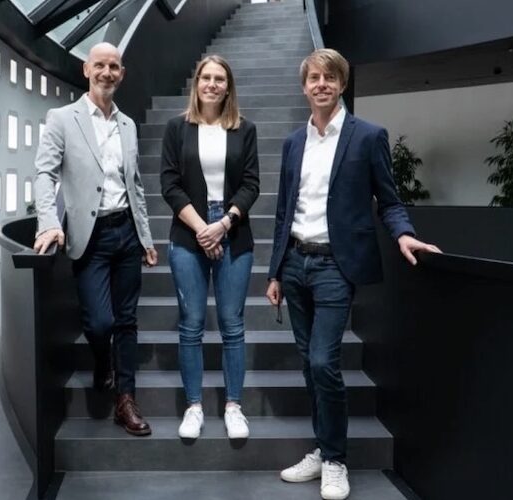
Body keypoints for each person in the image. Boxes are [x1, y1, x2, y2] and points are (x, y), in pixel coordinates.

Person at [266, 49, 441, 499]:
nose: (321, 84)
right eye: (314, 78)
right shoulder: (293, 143)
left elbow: (390, 199)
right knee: (309, 366)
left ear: (342, 84)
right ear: (304, 87)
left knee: (323, 362)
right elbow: (284, 210)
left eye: (330, 77)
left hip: (334, 266)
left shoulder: (368, 136)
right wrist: (275, 272)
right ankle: (322, 449)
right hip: (295, 263)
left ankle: (335, 460)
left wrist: (404, 235)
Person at [32, 42, 158, 436]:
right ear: (86, 70)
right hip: (90, 235)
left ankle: (125, 400)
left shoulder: (128, 125)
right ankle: (103, 361)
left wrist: (146, 236)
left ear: (122, 73)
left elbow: (135, 185)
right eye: (100, 65)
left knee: (127, 320)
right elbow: (45, 174)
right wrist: (48, 222)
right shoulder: (61, 118)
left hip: (127, 232)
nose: (107, 72)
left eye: (114, 66)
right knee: (100, 323)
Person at [159, 56, 260, 440]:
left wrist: (223, 224)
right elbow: (170, 184)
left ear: (228, 86)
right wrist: (204, 228)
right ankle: (194, 407)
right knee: (191, 325)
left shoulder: (244, 129)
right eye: (206, 77)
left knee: (232, 325)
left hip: (233, 230)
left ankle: (234, 406)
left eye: (220, 79)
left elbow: (251, 184)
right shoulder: (176, 128)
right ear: (197, 83)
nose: (212, 84)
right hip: (189, 232)